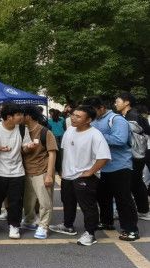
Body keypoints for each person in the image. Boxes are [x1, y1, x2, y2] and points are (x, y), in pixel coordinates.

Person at [50, 105, 110, 246]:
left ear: (88, 120)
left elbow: (104, 157)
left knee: (87, 206)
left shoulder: (95, 134)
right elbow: (64, 150)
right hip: (68, 175)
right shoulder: (69, 130)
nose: (73, 118)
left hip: (84, 177)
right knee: (68, 202)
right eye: (73, 115)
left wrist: (90, 172)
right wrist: (61, 169)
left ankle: (90, 233)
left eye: (78, 116)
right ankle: (67, 226)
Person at [86, 96, 139, 241]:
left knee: (123, 199)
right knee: (103, 197)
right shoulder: (95, 120)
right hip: (101, 167)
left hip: (120, 166)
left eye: (93, 111)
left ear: (102, 108)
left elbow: (120, 140)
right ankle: (107, 222)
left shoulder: (116, 119)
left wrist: (97, 136)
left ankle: (131, 229)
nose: (91, 115)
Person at [0, 103, 30, 239]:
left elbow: (24, 147)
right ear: (8, 117)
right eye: (18, 115)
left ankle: (14, 226)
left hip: (17, 171)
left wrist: (29, 147)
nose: (21, 117)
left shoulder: (22, 128)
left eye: (21, 114)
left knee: (15, 201)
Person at [21, 106, 58, 239]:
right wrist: (27, 148)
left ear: (28, 116)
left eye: (22, 114)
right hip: (26, 171)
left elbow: (52, 153)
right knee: (28, 201)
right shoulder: (22, 131)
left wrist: (49, 175)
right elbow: (22, 151)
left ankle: (43, 226)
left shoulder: (45, 132)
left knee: (44, 201)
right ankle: (30, 220)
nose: (19, 117)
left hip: (42, 171)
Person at [115, 92, 149, 221]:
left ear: (127, 102)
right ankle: (143, 210)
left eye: (118, 101)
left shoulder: (132, 117)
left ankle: (138, 211)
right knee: (136, 183)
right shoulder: (128, 116)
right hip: (136, 154)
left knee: (131, 183)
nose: (115, 104)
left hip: (134, 155)